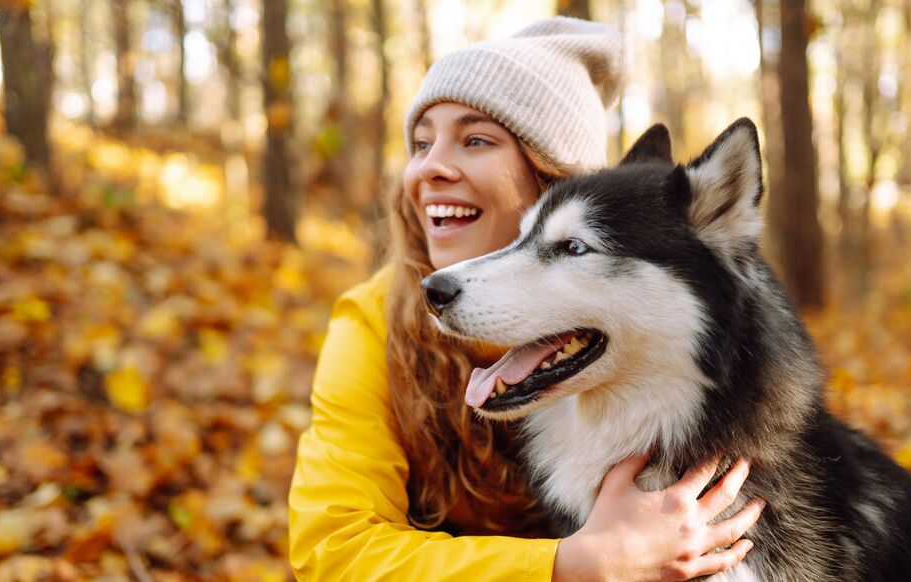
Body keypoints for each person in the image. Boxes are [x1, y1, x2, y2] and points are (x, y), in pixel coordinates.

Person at [288, 17, 764, 581]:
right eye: (421, 143)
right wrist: (574, 565)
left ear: (553, 178)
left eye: (475, 140)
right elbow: (334, 548)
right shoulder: (372, 320)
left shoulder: (631, 332)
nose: (428, 168)